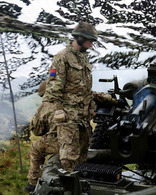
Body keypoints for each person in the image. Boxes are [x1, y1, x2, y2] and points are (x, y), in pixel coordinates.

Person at [23, 22, 119, 192]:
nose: (92, 45)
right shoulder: (62, 57)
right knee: (68, 160)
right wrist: (59, 112)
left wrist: (93, 105)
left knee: (82, 157)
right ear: (80, 39)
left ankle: (80, 188)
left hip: (82, 118)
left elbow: (85, 89)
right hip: (67, 118)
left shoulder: (83, 57)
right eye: (90, 41)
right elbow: (53, 88)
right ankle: (63, 190)